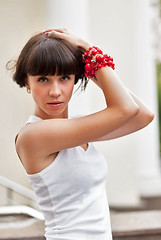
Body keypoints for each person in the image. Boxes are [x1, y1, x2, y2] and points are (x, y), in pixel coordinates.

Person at [11, 28, 154, 240]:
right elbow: (127, 109)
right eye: (43, 79)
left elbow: (143, 116)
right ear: (26, 82)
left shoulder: (75, 131)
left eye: (65, 78)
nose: (55, 91)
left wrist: (90, 66)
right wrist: (88, 48)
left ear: (76, 79)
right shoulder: (34, 135)